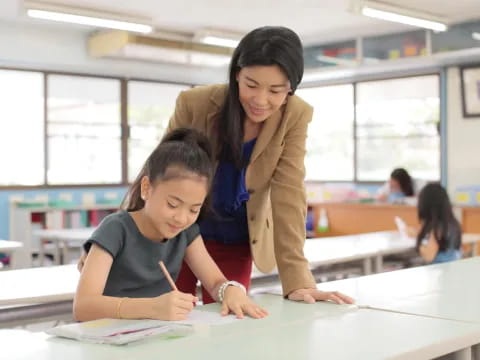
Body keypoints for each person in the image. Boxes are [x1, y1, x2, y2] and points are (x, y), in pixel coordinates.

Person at [167, 26, 353, 305]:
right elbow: (158, 175)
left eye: (276, 90)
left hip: (237, 241)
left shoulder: (295, 115)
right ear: (236, 75)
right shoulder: (196, 104)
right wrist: (114, 241)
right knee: (162, 322)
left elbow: (288, 193)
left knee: (227, 323)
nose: (261, 100)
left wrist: (298, 282)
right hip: (178, 235)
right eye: (251, 85)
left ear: (291, 88)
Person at [73, 128, 268, 322]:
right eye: (172, 204)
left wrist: (229, 290)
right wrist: (152, 307)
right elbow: (83, 307)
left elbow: (215, 282)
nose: (182, 219)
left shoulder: (186, 233)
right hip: (109, 343)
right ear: (146, 188)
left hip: (157, 338)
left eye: (194, 210)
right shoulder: (115, 229)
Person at [415, 183, 462, 264]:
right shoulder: (452, 224)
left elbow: (428, 257)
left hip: (439, 272)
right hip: (452, 270)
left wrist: (421, 247)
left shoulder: (437, 228)